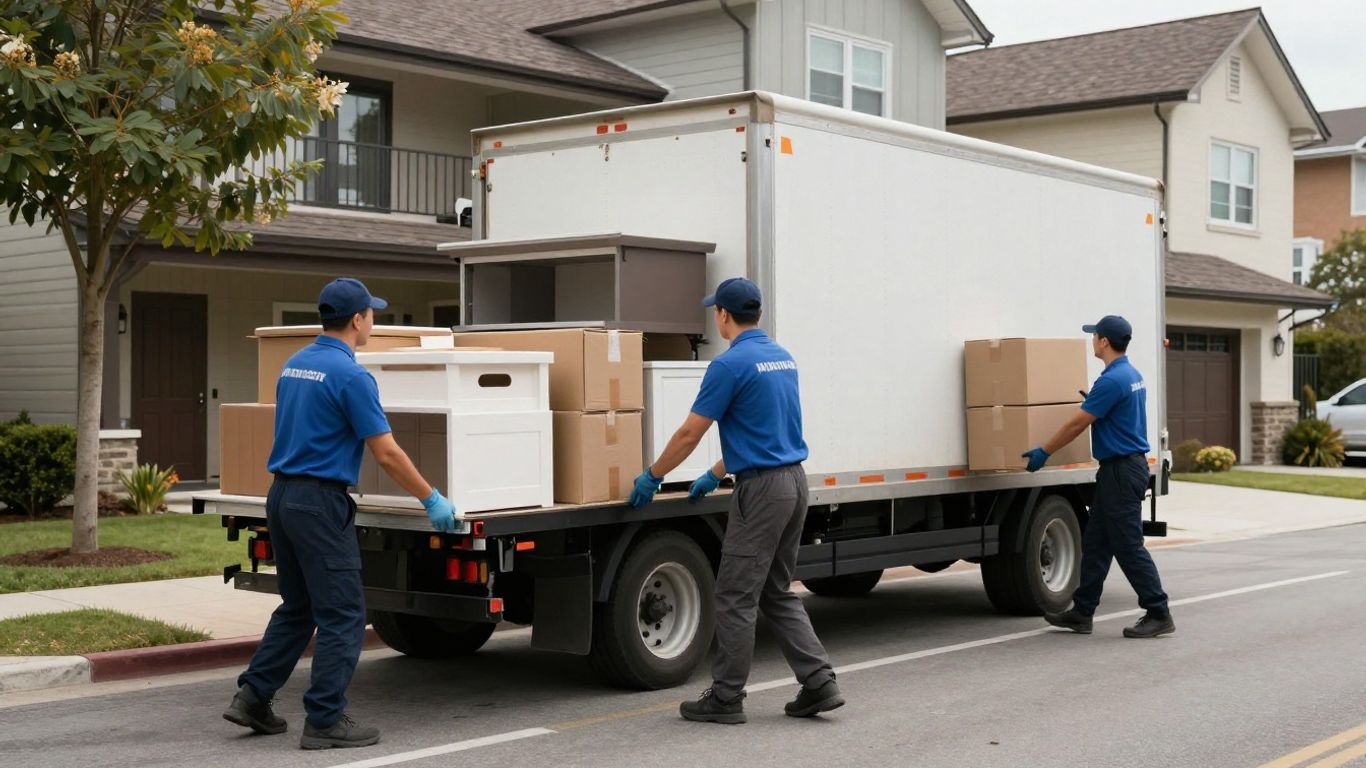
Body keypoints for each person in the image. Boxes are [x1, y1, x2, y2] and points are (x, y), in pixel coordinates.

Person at [222, 278, 459, 750]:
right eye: (371, 313)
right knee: (345, 614)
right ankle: (325, 719)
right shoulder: (352, 376)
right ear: (357, 320)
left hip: (283, 496)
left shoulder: (294, 366)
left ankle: (253, 698)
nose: (374, 319)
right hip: (319, 502)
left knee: (299, 606)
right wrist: (431, 498)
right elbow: (386, 452)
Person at [629, 277, 843, 725]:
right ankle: (819, 681)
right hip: (794, 481)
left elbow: (690, 432)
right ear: (757, 314)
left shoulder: (728, 366)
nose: (715, 317)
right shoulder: (782, 359)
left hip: (762, 490)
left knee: (734, 595)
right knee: (775, 589)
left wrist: (653, 476)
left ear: (724, 315)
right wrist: (715, 472)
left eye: (715, 311)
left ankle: (726, 697)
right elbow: (765, 427)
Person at [1021, 315, 1174, 639]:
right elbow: (1115, 414)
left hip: (1120, 470)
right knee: (1096, 544)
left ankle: (1158, 611)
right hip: (1123, 468)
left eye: (1095, 336)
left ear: (1104, 342)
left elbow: (1077, 424)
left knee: (1128, 546)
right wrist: (1094, 401)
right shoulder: (1130, 374)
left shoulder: (1112, 381)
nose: (1092, 340)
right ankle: (1082, 612)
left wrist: (1044, 451)